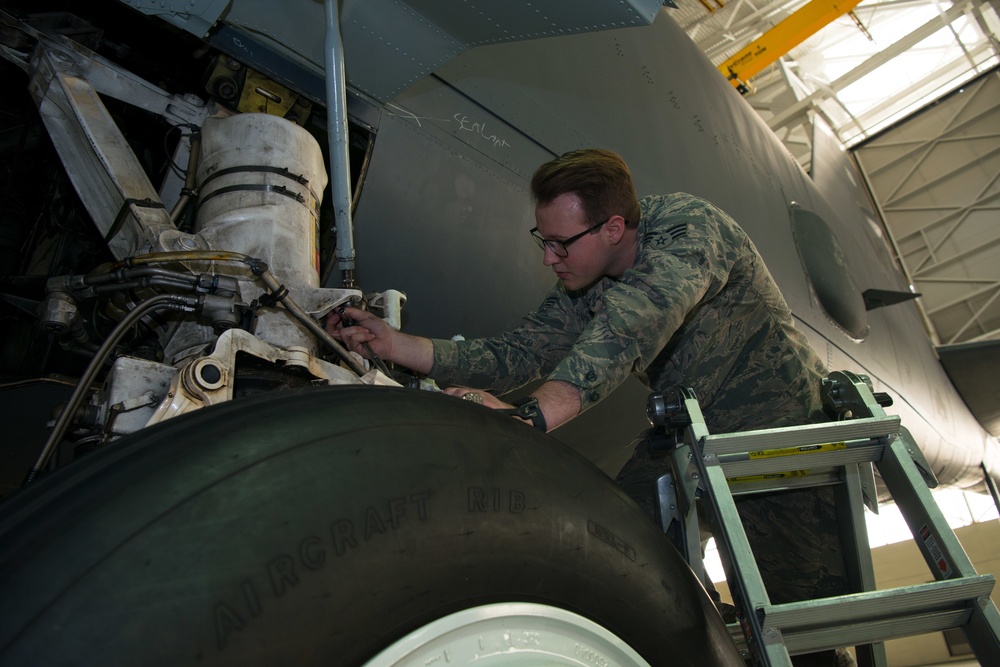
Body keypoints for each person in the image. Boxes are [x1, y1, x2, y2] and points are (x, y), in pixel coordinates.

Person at [329, 149, 854, 666]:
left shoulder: (688, 229)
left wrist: (527, 418)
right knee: (628, 554)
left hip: (785, 441)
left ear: (612, 227)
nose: (547, 258)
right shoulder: (586, 281)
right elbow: (519, 353)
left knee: (806, 635)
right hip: (692, 435)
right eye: (543, 241)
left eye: (559, 244)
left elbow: (631, 328)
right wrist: (396, 345)